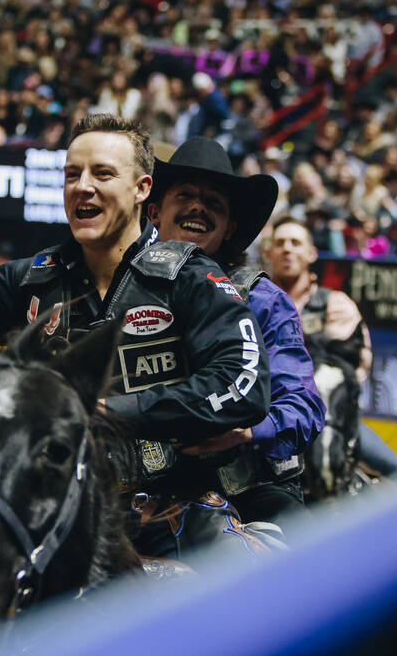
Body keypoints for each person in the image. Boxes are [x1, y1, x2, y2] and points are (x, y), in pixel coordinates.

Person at [0, 114, 272, 561]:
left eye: (103, 173)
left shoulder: (192, 275)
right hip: (59, 524)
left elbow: (243, 384)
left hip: (175, 520)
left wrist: (110, 412)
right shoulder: (33, 279)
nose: (82, 186)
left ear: (143, 190)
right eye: (72, 174)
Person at [143, 137, 324, 533]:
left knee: (309, 569)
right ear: (155, 212)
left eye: (214, 204)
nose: (198, 207)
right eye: (186, 195)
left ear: (229, 229)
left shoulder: (262, 300)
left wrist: (244, 433)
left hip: (251, 489)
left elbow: (304, 407)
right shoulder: (127, 290)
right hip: (149, 488)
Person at [265, 217, 397, 483]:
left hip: (328, 415)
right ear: (268, 253)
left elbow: (350, 366)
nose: (287, 249)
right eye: (280, 243)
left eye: (295, 243)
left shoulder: (335, 304)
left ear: (311, 254)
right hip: (268, 417)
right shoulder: (255, 301)